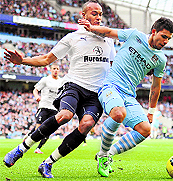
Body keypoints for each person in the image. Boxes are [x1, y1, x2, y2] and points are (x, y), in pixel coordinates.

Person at [3, 0, 116, 178]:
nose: (98, 17)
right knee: (65, 115)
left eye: (100, 14)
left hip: (96, 93)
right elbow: (47, 59)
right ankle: (21, 149)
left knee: (86, 125)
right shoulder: (72, 38)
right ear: (83, 16)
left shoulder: (109, 40)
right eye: (94, 13)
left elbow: (112, 67)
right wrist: (22, 61)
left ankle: (47, 163)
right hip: (74, 85)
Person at [79, 16, 173, 177]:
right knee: (118, 113)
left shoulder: (160, 59)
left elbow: (156, 87)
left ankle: (109, 154)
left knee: (145, 130)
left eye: (169, 39)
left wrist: (151, 111)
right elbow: (109, 31)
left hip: (129, 95)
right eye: (164, 36)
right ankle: (103, 154)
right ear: (154, 32)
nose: (166, 41)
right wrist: (91, 28)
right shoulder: (134, 35)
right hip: (110, 86)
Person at [31, 63, 61, 154]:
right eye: (54, 68)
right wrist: (36, 97)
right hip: (44, 107)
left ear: (59, 70)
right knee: (38, 128)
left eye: (57, 69)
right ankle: (28, 140)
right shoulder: (45, 80)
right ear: (51, 70)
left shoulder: (61, 81)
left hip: (54, 109)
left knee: (49, 129)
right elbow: (35, 89)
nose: (56, 70)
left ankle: (38, 148)